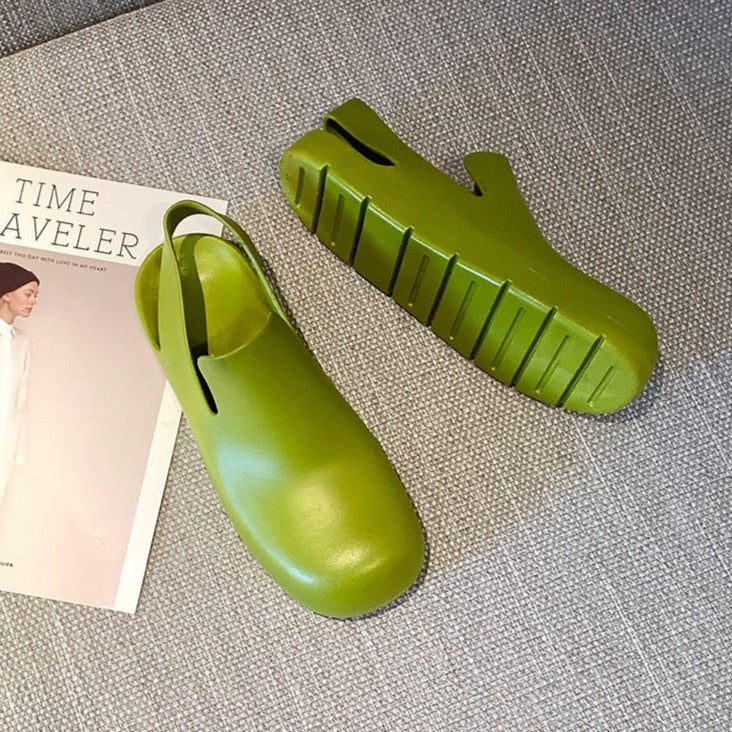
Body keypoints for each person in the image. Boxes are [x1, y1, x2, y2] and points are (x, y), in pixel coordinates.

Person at [0, 263, 39, 505]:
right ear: (6, 294)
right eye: (28, 294)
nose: (33, 301)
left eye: (35, 295)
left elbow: (21, 400)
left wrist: (18, 452)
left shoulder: (21, 342)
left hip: (5, 442)